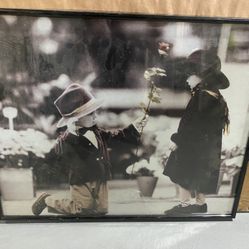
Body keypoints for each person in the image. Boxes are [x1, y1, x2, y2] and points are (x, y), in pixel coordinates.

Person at [32, 83, 146, 216]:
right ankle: (48, 200)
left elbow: (115, 136)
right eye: (90, 114)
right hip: (82, 178)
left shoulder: (97, 131)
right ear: (76, 118)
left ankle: (91, 214)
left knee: (101, 209)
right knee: (81, 208)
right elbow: (55, 155)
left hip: (101, 175)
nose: (95, 116)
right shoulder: (68, 138)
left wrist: (133, 128)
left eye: (95, 113)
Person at [163, 49, 230, 216]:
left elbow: (189, 123)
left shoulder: (201, 96)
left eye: (189, 75)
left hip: (191, 144)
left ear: (200, 76)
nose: (186, 79)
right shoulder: (217, 97)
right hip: (207, 147)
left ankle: (184, 205)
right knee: (201, 173)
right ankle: (201, 203)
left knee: (182, 170)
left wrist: (177, 141)